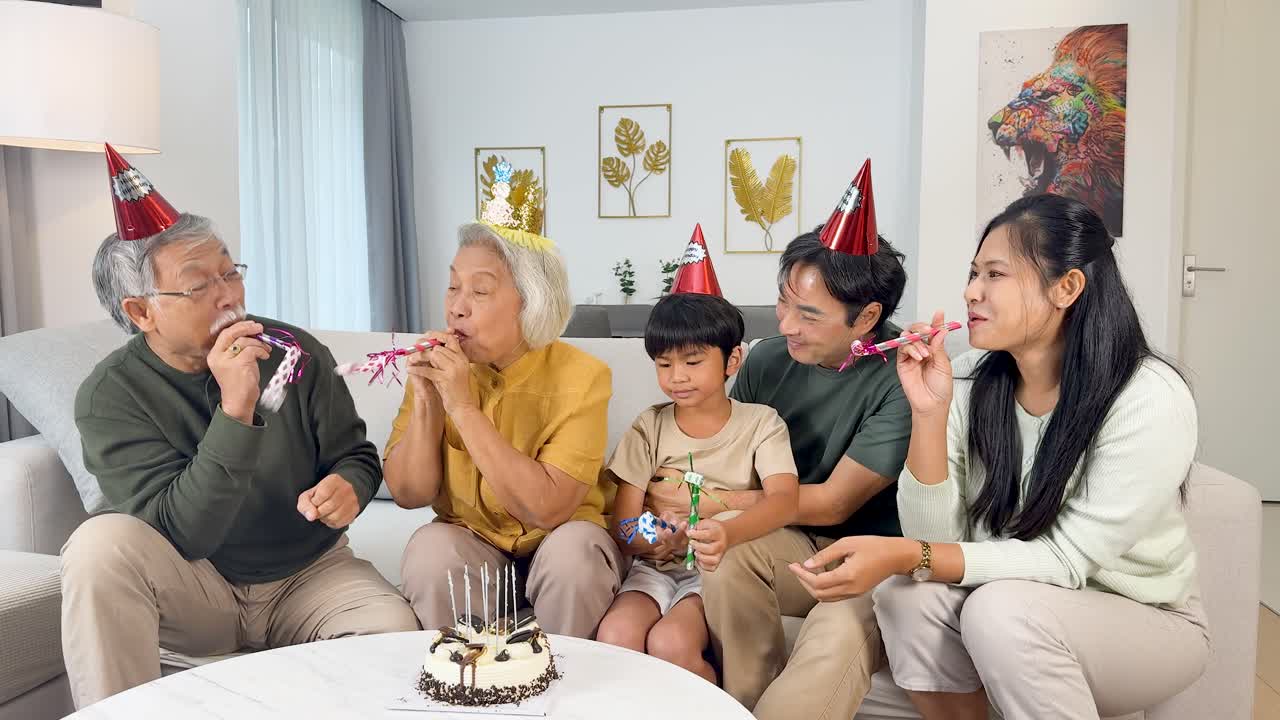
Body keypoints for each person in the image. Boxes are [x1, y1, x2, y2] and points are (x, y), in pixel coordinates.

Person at [792, 194, 1210, 720]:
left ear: (1067, 288)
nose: (971, 292)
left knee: (999, 609)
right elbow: (938, 542)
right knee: (906, 597)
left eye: (995, 275)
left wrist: (903, 554)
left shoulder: (1145, 396)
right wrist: (928, 411)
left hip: (1147, 620)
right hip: (1015, 598)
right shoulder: (968, 376)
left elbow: (1065, 561)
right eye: (972, 274)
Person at [62, 146, 417, 709]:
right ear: (141, 313)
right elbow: (186, 534)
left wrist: (351, 485)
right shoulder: (111, 397)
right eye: (198, 285)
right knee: (97, 547)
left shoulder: (293, 351)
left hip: (309, 574)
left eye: (230, 272)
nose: (228, 294)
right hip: (197, 584)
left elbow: (357, 454)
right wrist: (236, 408)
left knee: (397, 640)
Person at [646, 160, 912, 719]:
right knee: (727, 550)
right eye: (783, 300)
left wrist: (713, 498)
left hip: (864, 555)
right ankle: (739, 706)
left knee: (834, 635)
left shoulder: (901, 375)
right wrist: (682, 514)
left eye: (808, 314)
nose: (786, 323)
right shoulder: (767, 359)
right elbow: (729, 457)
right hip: (784, 540)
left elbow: (837, 502)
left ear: (865, 317)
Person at [387, 170, 624, 638]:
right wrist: (428, 402)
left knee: (574, 556)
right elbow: (409, 494)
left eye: (479, 291)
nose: (457, 306)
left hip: (560, 538)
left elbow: (548, 509)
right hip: (473, 541)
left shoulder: (585, 377)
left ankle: (561, 694)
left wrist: (464, 409)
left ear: (529, 303)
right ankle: (465, 688)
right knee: (430, 550)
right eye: (453, 286)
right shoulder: (441, 369)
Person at [595, 226, 799, 684]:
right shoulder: (649, 425)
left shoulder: (761, 424)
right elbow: (625, 523)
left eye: (692, 362)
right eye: (664, 365)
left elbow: (784, 499)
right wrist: (656, 534)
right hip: (653, 569)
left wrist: (724, 535)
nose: (676, 378)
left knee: (670, 644)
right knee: (614, 637)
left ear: (732, 361)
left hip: (717, 575)